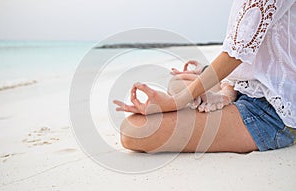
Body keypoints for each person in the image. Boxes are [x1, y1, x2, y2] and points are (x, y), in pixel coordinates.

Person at [113, 0, 296, 153]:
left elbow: (238, 52)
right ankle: (224, 98)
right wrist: (226, 91)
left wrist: (176, 102)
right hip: (245, 88)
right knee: (178, 81)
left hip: (273, 109)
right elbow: (249, 52)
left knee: (133, 131)